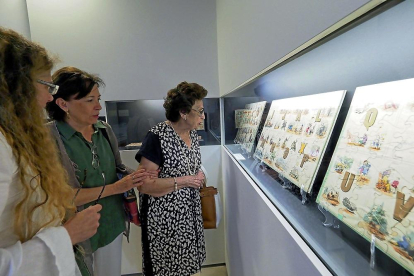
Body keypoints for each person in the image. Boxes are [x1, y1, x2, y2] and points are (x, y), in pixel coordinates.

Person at [0, 28, 101, 275]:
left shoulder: (18, 137)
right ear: (13, 86)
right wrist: (66, 235)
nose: (49, 97)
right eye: (46, 85)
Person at [46, 66, 156, 276]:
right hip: (74, 231)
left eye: (98, 99)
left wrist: (139, 176)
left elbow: (118, 169)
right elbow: (59, 198)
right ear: (62, 103)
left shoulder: (104, 131)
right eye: (89, 100)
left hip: (111, 223)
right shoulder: (48, 138)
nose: (98, 106)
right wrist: (116, 188)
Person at [136, 81, 207, 276]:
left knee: (185, 265)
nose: (203, 116)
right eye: (199, 111)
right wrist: (186, 181)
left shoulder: (192, 134)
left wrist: (199, 175)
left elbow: (188, 166)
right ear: (183, 112)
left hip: (188, 213)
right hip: (165, 219)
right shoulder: (157, 137)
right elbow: (144, 184)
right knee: (166, 267)